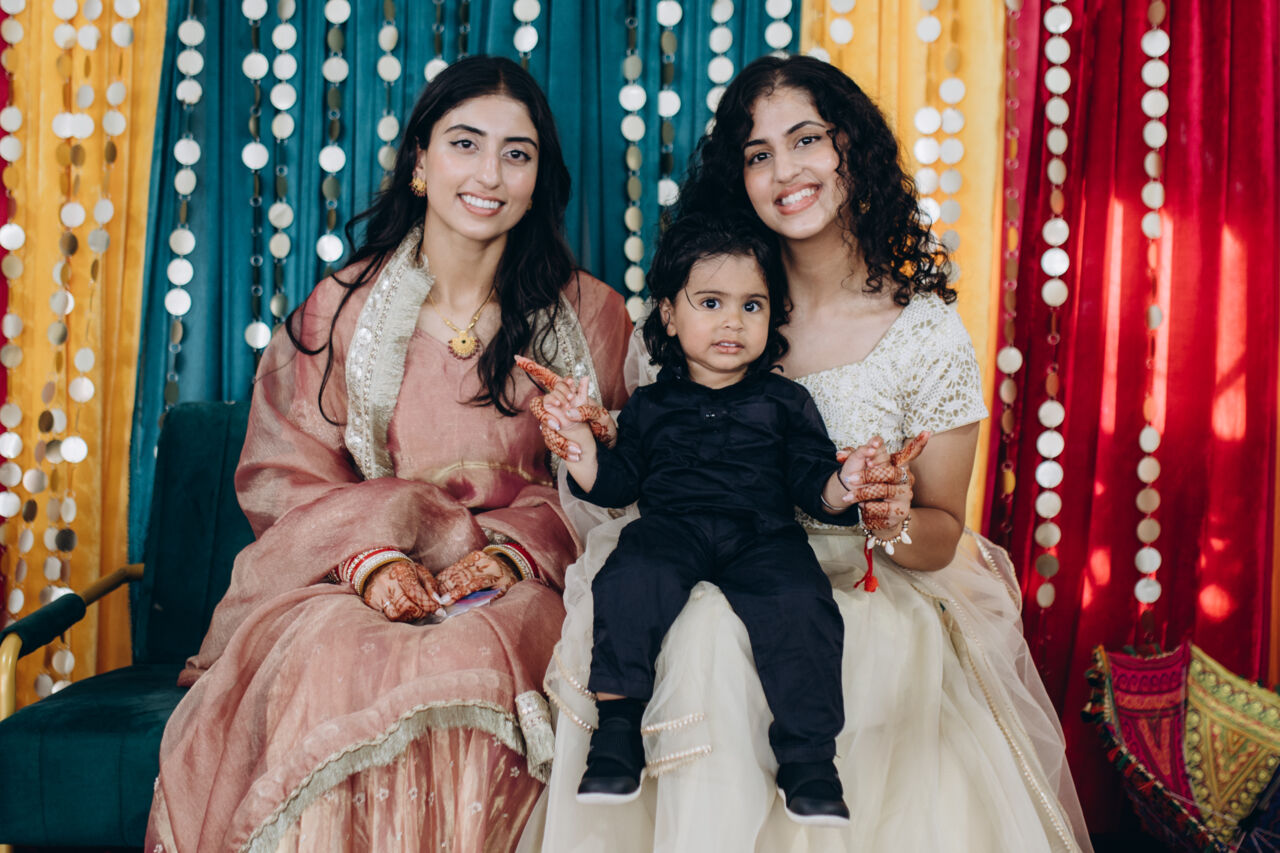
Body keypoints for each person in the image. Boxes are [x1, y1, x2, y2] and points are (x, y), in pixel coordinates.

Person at [524, 55, 1092, 852]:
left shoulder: (924, 334)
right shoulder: (709, 307)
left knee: (746, 631)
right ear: (740, 176)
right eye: (759, 153)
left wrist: (887, 513)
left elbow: (939, 534)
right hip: (693, 558)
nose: (786, 170)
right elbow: (656, 468)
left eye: (806, 140)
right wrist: (597, 436)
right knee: (689, 623)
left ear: (851, 146)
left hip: (862, 588)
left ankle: (810, 777)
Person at [145, 56, 632, 853]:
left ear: (538, 178)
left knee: (487, 647)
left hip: (528, 580)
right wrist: (372, 561)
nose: (489, 173)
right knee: (335, 650)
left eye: (516, 153)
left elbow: (620, 481)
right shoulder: (341, 309)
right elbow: (285, 470)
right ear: (419, 161)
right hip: (358, 579)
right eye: (465, 143)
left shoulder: (594, 317)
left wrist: (509, 556)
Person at [527, 214, 913, 826]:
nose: (733, 321)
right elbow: (619, 484)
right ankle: (618, 732)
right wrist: (579, 445)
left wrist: (848, 483)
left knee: (802, 601)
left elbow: (812, 482)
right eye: (711, 303)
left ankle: (809, 760)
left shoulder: (786, 401)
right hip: (671, 528)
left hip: (763, 535)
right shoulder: (652, 403)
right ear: (670, 315)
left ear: (772, 316)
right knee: (628, 579)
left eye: (751, 306)